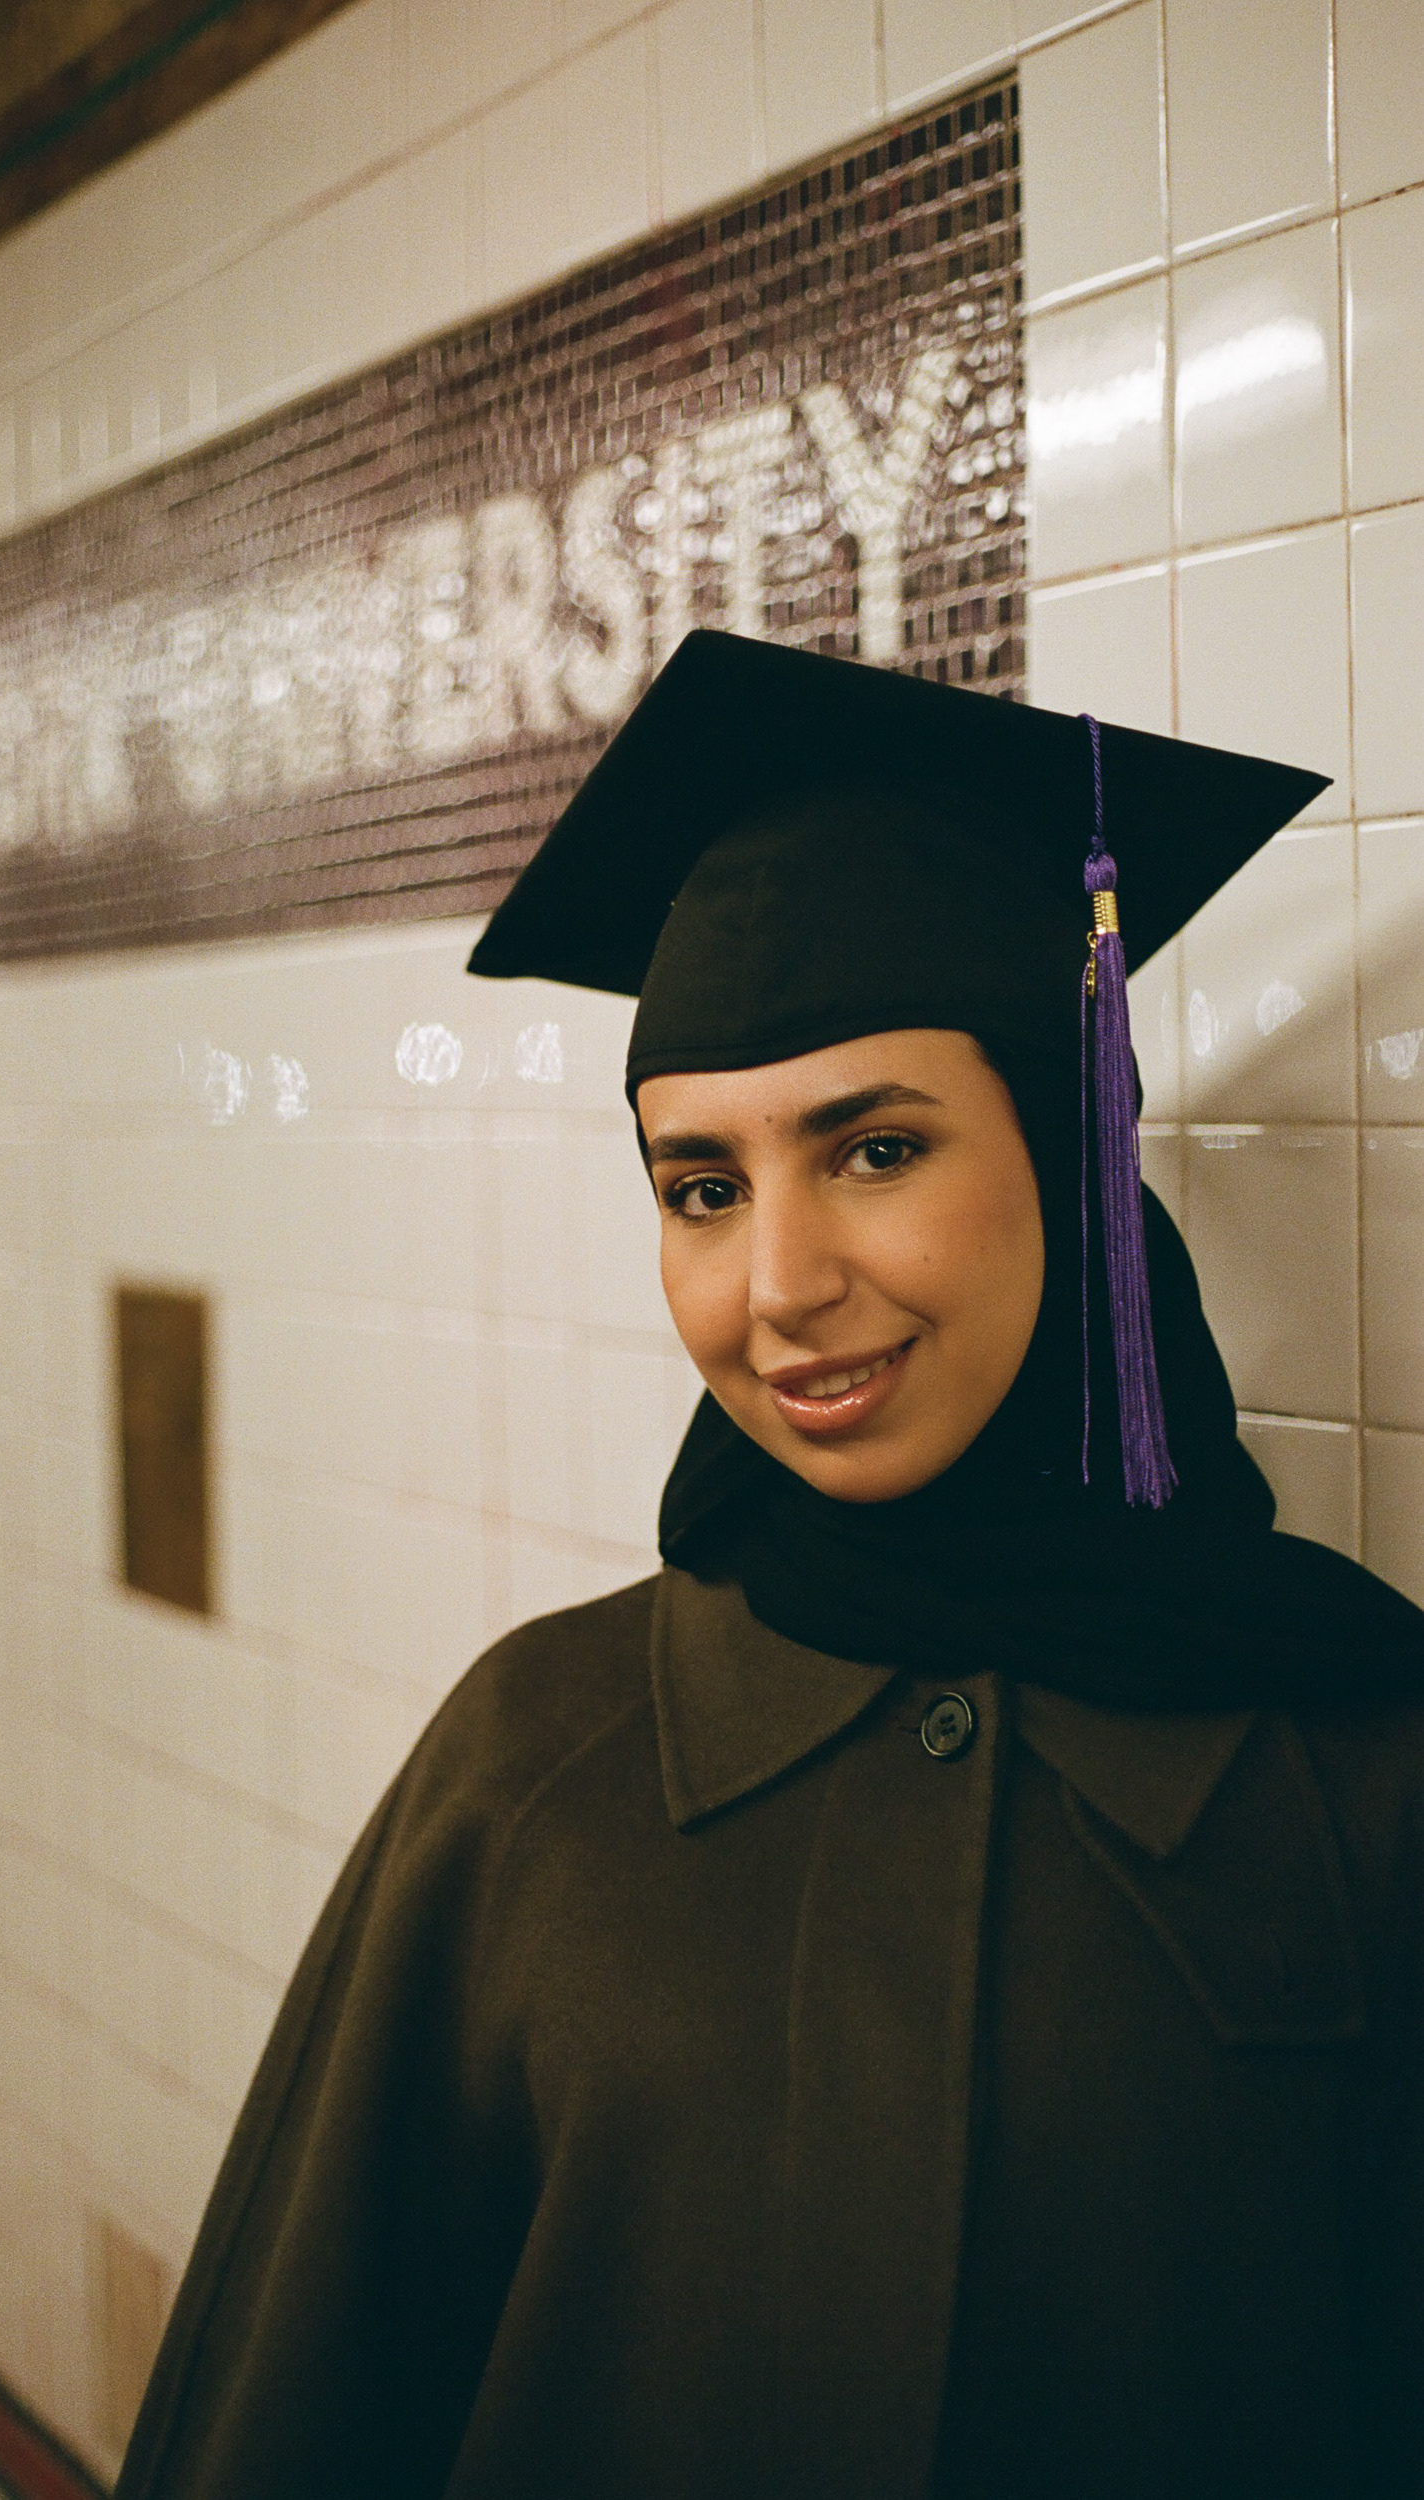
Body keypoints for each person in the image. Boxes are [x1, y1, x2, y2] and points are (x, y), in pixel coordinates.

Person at [115, 633, 1424, 2500]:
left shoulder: (1360, 1783)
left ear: (1071, 1149)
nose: (778, 1288)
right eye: (700, 1188)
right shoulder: (531, 1770)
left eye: (874, 1149)